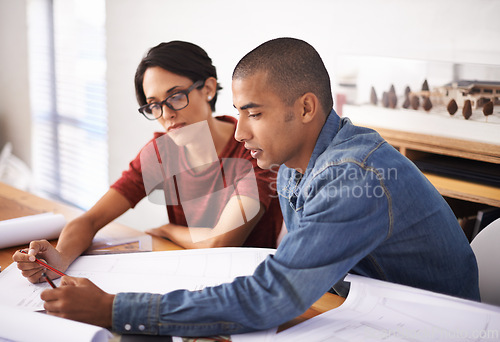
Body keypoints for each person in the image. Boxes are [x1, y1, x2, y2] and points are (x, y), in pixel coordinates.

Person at [15, 38, 479, 336]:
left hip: (432, 325)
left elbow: (270, 295)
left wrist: (113, 309)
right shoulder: (296, 160)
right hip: (356, 306)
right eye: (239, 114)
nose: (239, 132)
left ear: (306, 107)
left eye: (252, 113)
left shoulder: (349, 174)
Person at [13, 41, 283, 285]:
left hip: (254, 285)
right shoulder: (161, 153)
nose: (166, 115)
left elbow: (220, 242)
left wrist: (169, 230)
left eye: (176, 96)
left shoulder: (253, 149)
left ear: (208, 88)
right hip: (194, 277)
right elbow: (89, 220)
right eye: (154, 105)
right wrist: (60, 258)